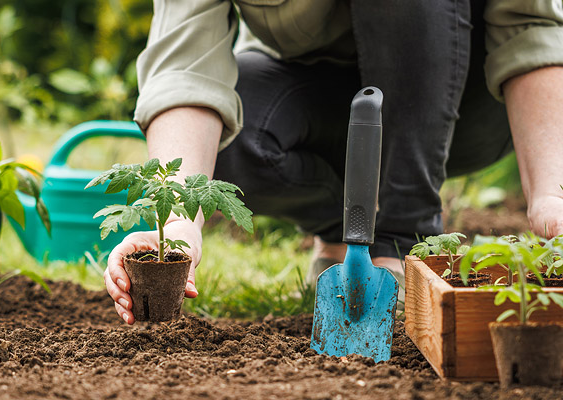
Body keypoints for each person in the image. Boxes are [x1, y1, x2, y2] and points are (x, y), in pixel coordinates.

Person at [104, 0, 563, 325]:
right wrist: (182, 223)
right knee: (238, 139)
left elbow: (529, 24)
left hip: (463, 101)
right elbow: (185, 66)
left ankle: (402, 239)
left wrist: (550, 194)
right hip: (320, 97)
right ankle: (350, 236)